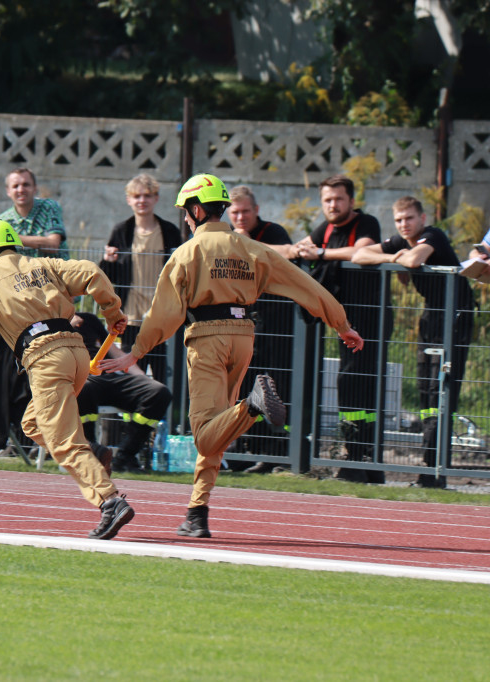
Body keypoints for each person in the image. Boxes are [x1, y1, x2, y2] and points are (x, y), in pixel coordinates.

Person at [100, 173, 363, 539]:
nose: (185, 220)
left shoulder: (187, 253)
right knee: (217, 428)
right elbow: (304, 285)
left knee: (205, 436)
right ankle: (197, 512)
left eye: (185, 213)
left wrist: (136, 352)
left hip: (207, 339)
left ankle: (251, 405)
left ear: (195, 210)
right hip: (243, 337)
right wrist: (341, 323)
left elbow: (163, 312)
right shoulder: (250, 247)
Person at [0, 219, 135, 540]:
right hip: (76, 352)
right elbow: (92, 272)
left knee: (64, 441)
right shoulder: (43, 264)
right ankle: (92, 452)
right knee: (33, 424)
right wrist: (113, 313)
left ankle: (110, 501)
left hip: (44, 356)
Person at [352, 196, 475, 488]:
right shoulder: (400, 241)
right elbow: (359, 255)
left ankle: (436, 469)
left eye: (409, 218)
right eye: (399, 220)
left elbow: (415, 259)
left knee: (442, 389)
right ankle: (428, 466)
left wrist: (401, 258)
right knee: (426, 388)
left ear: (422, 218)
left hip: (456, 316)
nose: (404, 225)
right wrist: (392, 257)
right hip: (431, 315)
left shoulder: (433, 235)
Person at [294, 174, 387, 484]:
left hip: (370, 318)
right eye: (327, 200)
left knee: (359, 386)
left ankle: (364, 460)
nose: (332, 205)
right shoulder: (327, 227)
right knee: (349, 387)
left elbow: (359, 252)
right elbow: (302, 246)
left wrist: (320, 254)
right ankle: (356, 458)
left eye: (338, 199)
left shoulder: (366, 223)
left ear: (351, 201)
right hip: (343, 322)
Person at [0, 168, 66, 456]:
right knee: (3, 374)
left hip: (46, 301)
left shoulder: (49, 208)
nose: (21, 190)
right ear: (8, 191)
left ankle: (32, 441)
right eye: (16, 185)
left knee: (39, 375)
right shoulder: (2, 220)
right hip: (15, 305)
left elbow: (54, 242)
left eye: (26, 184)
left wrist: (14, 240)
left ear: (35, 187)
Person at [226, 185, 296, 473]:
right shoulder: (224, 235)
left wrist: (242, 241)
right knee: (245, 384)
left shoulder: (273, 231)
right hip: (243, 322)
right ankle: (249, 449)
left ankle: (276, 453)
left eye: (245, 211)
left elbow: (284, 253)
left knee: (275, 385)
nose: (240, 217)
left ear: (256, 211)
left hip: (277, 321)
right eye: (235, 213)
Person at [99, 173, 183, 383]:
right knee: (132, 375)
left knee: (165, 373)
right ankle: (132, 416)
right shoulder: (122, 231)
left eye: (147, 195)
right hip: (131, 315)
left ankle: (164, 416)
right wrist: (107, 260)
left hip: (161, 315)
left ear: (156, 198)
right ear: (129, 200)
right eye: (136, 196)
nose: (142, 201)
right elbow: (108, 277)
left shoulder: (170, 231)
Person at [70, 311, 172, 473]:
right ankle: (92, 453)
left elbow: (115, 352)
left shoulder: (89, 319)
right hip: (80, 378)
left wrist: (144, 379)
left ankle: (125, 456)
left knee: (159, 392)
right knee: (84, 387)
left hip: (109, 376)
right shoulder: (48, 321)